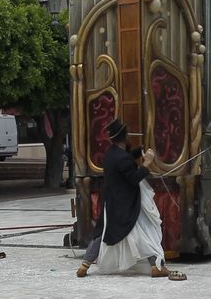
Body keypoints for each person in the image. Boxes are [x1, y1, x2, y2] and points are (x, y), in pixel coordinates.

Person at [77, 119, 183, 280]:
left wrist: (138, 151)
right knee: (147, 232)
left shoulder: (110, 155)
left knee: (104, 233)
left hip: (112, 204)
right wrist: (147, 163)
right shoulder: (122, 159)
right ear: (123, 138)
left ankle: (84, 265)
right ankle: (156, 266)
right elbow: (134, 178)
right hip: (127, 205)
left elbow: (124, 161)